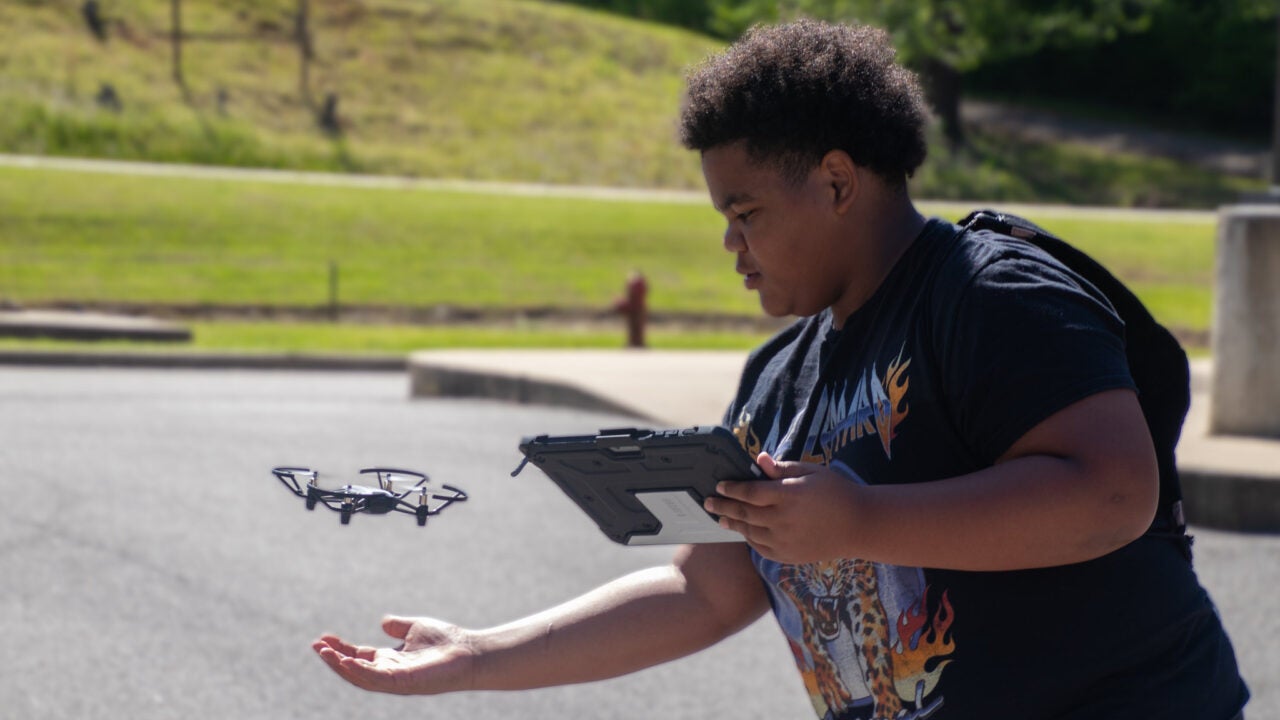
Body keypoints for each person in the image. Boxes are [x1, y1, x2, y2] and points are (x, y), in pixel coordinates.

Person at [313, 19, 1250, 719]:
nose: (731, 243)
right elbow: (708, 587)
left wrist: (859, 518)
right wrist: (480, 655)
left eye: (747, 211)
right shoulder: (777, 381)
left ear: (839, 183)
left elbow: (1111, 494)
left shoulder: (989, 293)